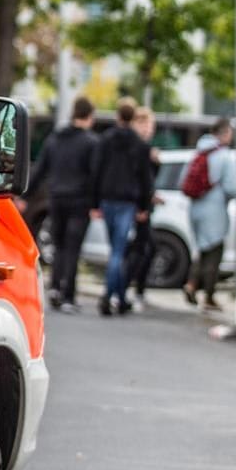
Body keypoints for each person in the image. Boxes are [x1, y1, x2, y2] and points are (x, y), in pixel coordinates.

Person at [30, 96, 99, 314]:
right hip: (80, 200)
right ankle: (68, 294)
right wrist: (96, 203)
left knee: (59, 246)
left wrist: (24, 194)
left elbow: (41, 169)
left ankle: (55, 288)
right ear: (89, 116)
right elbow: (95, 175)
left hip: (56, 198)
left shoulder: (55, 139)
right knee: (72, 248)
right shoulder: (91, 142)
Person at [92, 98, 155, 316]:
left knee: (115, 249)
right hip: (127, 201)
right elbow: (145, 178)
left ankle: (115, 295)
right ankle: (111, 295)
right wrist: (144, 206)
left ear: (118, 115)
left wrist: (94, 202)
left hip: (108, 199)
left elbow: (96, 171)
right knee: (118, 250)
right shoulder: (139, 144)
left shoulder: (105, 140)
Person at [185, 117, 236, 310]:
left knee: (201, 249)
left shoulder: (199, 152)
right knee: (214, 252)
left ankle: (191, 284)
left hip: (195, 208)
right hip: (214, 209)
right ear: (225, 133)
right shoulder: (224, 156)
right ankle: (208, 294)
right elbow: (232, 187)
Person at [120, 106, 163, 311]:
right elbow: (137, 179)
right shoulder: (135, 148)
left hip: (143, 204)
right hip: (136, 205)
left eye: (150, 125)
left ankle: (133, 288)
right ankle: (128, 288)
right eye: (144, 124)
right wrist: (142, 205)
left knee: (143, 248)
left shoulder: (146, 149)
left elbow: (149, 180)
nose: (148, 129)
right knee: (140, 248)